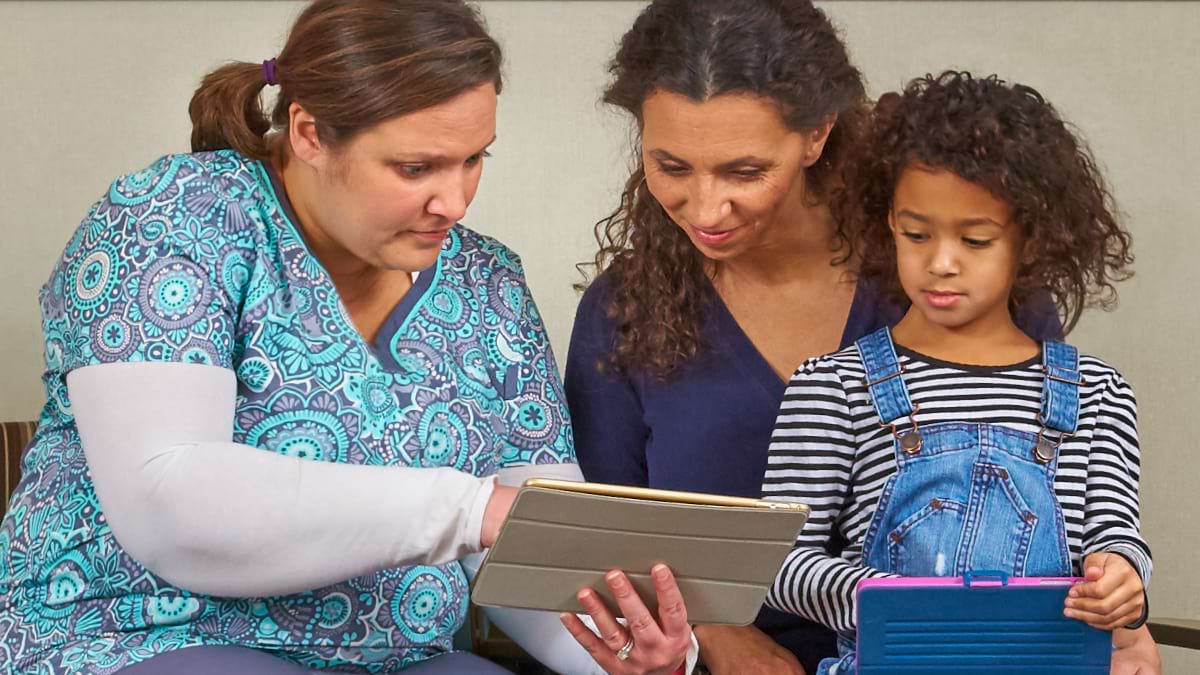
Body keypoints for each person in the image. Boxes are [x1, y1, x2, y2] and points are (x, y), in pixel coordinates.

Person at [0, 1, 688, 673]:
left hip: (393, 657)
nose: (455, 199)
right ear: (307, 133)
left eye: (474, 158)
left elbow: (529, 538)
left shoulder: (488, 283)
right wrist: (466, 507)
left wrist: (623, 650)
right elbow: (169, 501)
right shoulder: (175, 219)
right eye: (416, 168)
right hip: (136, 635)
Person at [565, 2, 1061, 673]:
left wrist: (1117, 616)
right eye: (672, 166)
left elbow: (1059, 508)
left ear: (817, 132)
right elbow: (608, 535)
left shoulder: (966, 286)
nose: (707, 208)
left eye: (744, 171)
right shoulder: (623, 311)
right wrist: (707, 632)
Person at [760, 71, 1156, 674]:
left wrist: (1122, 581)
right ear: (887, 222)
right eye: (916, 233)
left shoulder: (1098, 392)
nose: (940, 263)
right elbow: (778, 563)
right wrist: (899, 603)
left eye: (975, 240)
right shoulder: (834, 387)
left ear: (1030, 240)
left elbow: (1117, 537)